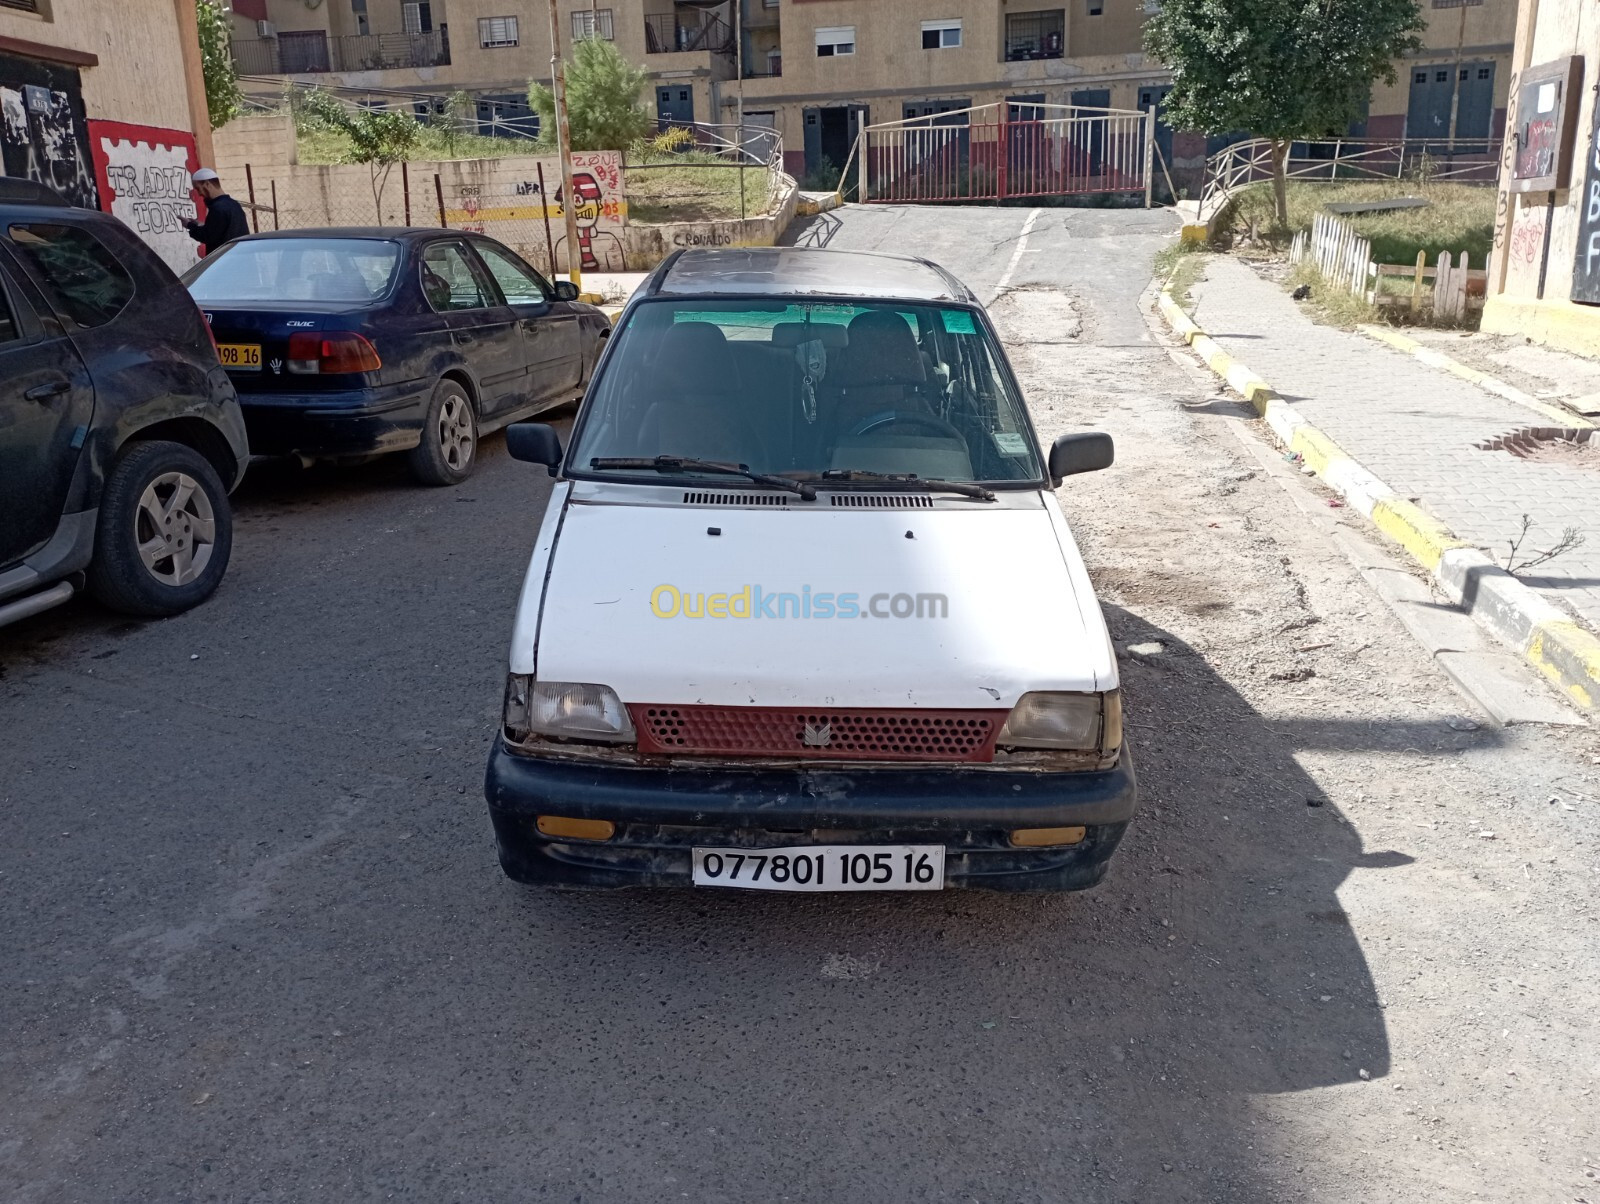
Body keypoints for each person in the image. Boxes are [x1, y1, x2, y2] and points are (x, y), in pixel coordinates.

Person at [184, 168, 250, 255]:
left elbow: (208, 236)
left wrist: (189, 225)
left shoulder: (218, 209)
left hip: (225, 261)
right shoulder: (234, 205)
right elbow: (220, 230)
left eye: (198, 188)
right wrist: (200, 225)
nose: (199, 193)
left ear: (207, 184)